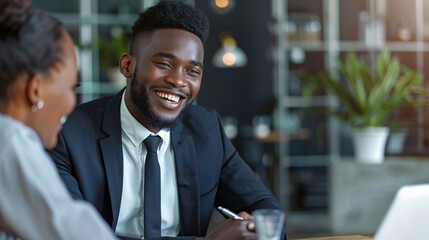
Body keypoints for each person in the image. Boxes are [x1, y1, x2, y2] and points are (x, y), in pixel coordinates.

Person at [48, 1, 287, 240]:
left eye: (192, 71)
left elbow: (267, 210)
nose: (178, 81)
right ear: (128, 65)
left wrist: (256, 228)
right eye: (164, 64)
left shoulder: (207, 130)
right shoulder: (69, 133)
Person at [0, 0, 118, 239]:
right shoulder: (10, 141)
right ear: (36, 89)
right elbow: (71, 229)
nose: (72, 102)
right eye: (69, 87)